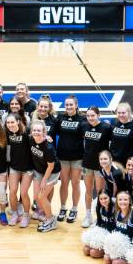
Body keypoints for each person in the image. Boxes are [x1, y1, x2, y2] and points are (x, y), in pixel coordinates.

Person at [54, 95, 84, 223]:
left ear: (76, 105)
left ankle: (74, 208)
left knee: (75, 183)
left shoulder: (82, 119)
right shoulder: (60, 118)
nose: (69, 107)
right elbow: (53, 131)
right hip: (63, 156)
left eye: (71, 104)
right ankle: (63, 207)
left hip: (77, 156)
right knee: (64, 183)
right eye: (66, 105)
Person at [80, 106, 112, 226]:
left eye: (93, 115)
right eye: (88, 116)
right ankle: (88, 216)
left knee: (100, 192)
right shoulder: (84, 126)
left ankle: (100, 217)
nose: (90, 118)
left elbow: (113, 143)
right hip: (87, 163)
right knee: (88, 191)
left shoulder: (106, 127)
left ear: (99, 115)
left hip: (101, 165)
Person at [30, 120, 60, 232]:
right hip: (40, 170)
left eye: (39, 130)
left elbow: (51, 166)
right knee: (37, 197)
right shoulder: (31, 139)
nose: (36, 132)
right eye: (34, 130)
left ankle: (51, 220)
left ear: (44, 132)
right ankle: (48, 216)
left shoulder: (48, 147)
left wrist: (44, 180)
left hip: (52, 171)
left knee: (41, 196)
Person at [5, 113, 33, 227]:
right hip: (14, 167)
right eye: (8, 123)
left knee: (23, 193)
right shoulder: (7, 133)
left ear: (18, 121)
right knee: (12, 192)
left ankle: (26, 215)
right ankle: (15, 214)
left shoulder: (27, 132)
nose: (10, 125)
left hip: (27, 168)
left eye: (12, 122)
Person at [105, 191, 133, 264]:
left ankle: (131, 263)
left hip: (130, 246)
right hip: (119, 246)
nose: (123, 202)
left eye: (125, 199)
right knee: (107, 259)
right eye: (120, 199)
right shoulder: (117, 212)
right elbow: (116, 230)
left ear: (129, 201)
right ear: (117, 201)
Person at [83, 191, 114, 257]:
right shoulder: (99, 208)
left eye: (105, 198)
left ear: (110, 197)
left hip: (111, 234)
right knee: (86, 250)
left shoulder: (115, 209)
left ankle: (105, 250)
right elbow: (99, 223)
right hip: (103, 231)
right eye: (101, 199)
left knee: (93, 253)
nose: (103, 201)